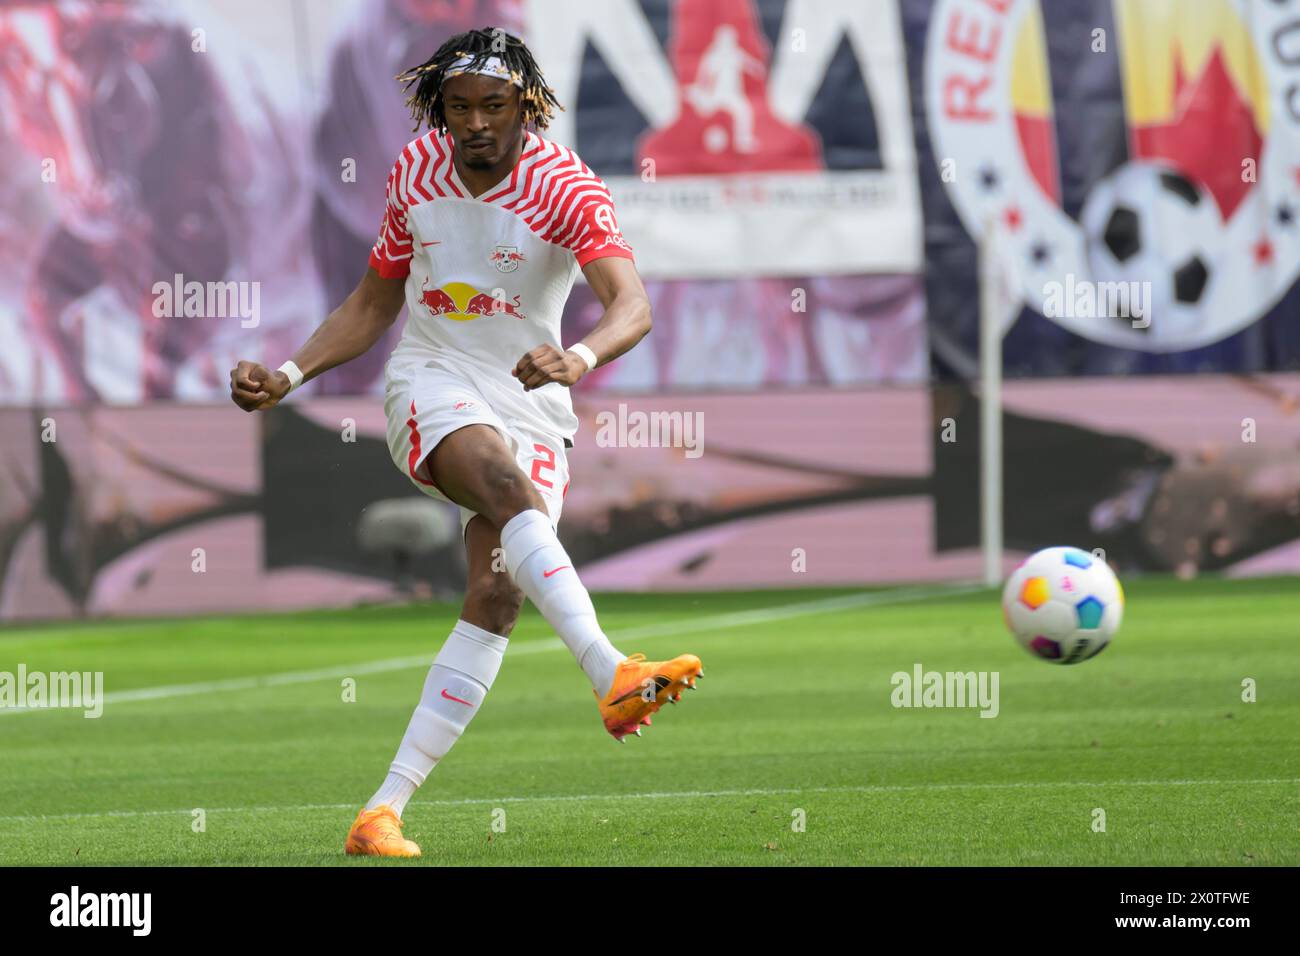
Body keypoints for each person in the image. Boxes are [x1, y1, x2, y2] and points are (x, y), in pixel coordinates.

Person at [228, 27, 702, 858]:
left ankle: (382, 812)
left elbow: (632, 304)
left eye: (492, 105)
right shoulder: (415, 173)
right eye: (458, 108)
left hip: (532, 398)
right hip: (433, 378)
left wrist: (580, 356)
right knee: (502, 485)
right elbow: (375, 303)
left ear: (526, 105)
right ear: (437, 110)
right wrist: (290, 374)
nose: (474, 123)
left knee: (497, 595)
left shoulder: (566, 186)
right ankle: (610, 672)